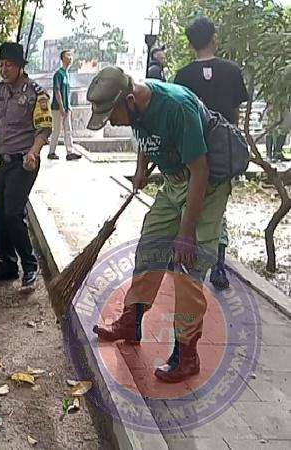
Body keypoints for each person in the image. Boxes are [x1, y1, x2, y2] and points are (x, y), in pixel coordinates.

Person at [87, 67, 231, 383]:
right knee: (149, 247)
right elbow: (145, 136)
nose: (111, 122)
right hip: (173, 181)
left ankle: (186, 355)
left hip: (205, 186)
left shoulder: (177, 107)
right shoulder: (137, 108)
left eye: (111, 115)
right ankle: (132, 321)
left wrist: (186, 233)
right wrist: (141, 168)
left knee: (187, 266)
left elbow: (200, 171)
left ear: (129, 100)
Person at [174, 15, 249, 291]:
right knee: (219, 207)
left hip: (194, 150)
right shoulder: (232, 71)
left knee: (190, 202)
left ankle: (186, 259)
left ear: (190, 43)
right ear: (213, 37)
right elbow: (236, 115)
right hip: (224, 150)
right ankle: (218, 264)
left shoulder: (182, 76)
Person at [0, 42, 52, 290]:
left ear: (20, 66)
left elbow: (44, 128)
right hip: (4, 161)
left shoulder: (36, 92)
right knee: (0, 214)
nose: (4, 69)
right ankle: (8, 265)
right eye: (1, 65)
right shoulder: (1, 90)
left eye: (9, 65)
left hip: (24, 162)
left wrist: (34, 152)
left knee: (13, 213)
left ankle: (30, 265)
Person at [48, 50, 81, 161]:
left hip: (67, 108)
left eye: (71, 55)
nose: (70, 57)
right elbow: (57, 91)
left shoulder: (67, 74)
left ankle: (70, 152)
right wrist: (61, 107)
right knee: (56, 130)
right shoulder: (58, 74)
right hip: (57, 108)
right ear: (62, 58)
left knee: (68, 130)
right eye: (68, 55)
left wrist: (69, 108)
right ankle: (51, 152)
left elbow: (67, 93)